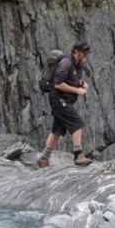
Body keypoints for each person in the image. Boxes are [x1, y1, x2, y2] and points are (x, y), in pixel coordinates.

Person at [37, 40, 93, 168]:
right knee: (77, 123)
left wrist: (82, 84)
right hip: (58, 99)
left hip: (64, 100)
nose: (86, 55)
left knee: (57, 130)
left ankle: (44, 158)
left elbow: (72, 79)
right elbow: (58, 84)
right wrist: (77, 90)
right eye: (84, 52)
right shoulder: (66, 63)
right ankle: (78, 155)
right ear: (77, 52)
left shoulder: (77, 65)